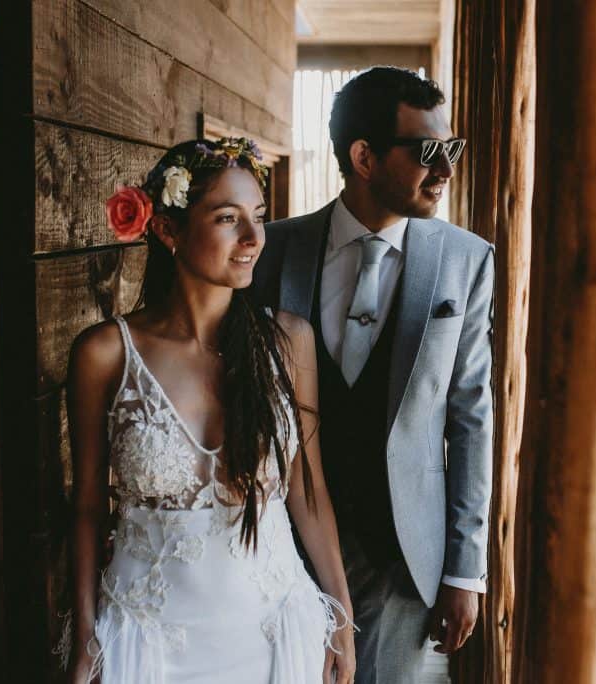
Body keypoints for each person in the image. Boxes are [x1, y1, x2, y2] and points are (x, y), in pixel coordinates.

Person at [63, 137, 356, 683]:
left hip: (271, 630)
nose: (252, 239)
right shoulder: (105, 354)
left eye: (259, 218)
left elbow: (307, 490)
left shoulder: (289, 341)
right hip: (147, 636)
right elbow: (85, 507)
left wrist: (340, 614)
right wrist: (84, 633)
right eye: (227, 218)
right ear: (168, 230)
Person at [251, 67, 494, 683]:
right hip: (280, 552)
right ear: (363, 157)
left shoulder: (466, 261)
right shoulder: (271, 251)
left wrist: (465, 571)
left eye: (453, 150)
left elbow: (471, 417)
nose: (446, 169)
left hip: (406, 562)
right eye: (428, 152)